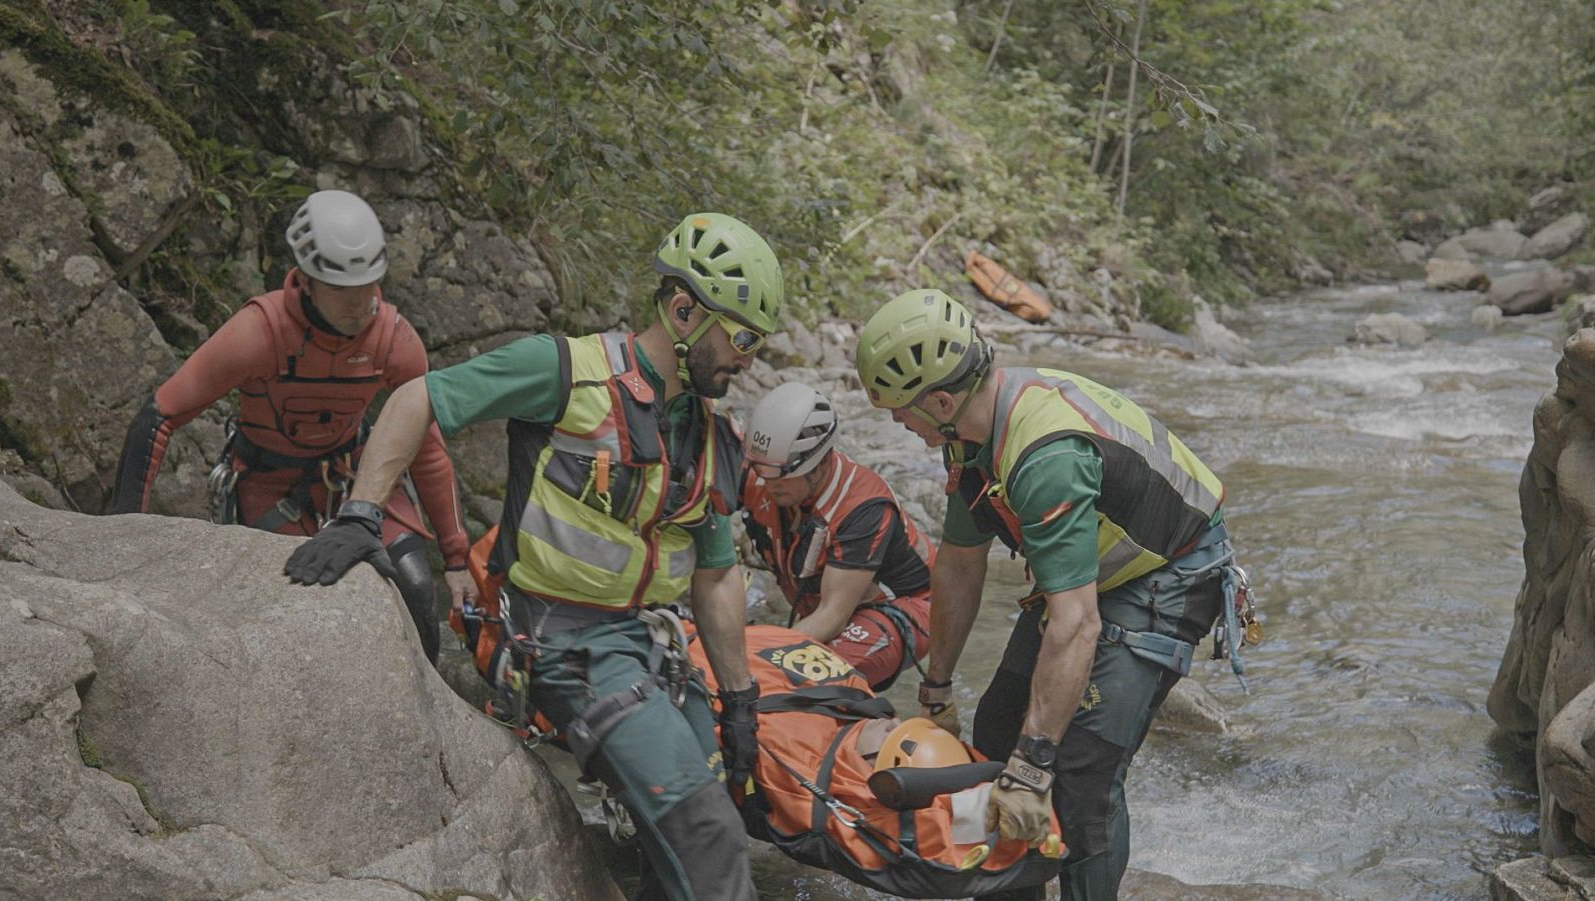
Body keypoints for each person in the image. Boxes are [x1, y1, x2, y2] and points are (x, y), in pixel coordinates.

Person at [283, 212, 783, 901]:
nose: (751, 357)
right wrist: (362, 513)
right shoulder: (566, 372)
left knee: (705, 832)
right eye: (744, 335)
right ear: (683, 310)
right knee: (707, 835)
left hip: (649, 647)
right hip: (563, 644)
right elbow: (417, 397)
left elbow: (718, 573)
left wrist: (740, 701)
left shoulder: (708, 437)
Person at [855, 288, 1240, 901]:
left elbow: (1076, 626)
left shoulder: (1045, 457)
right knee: (997, 728)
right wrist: (936, 688)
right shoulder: (970, 435)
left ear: (941, 399)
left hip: (1170, 577)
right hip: (1100, 573)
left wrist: (1033, 766)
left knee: (1079, 777)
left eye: (899, 409)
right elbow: (958, 564)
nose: (897, 422)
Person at [110, 189, 473, 665]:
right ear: (304, 279)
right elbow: (159, 418)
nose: (360, 303)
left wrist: (457, 558)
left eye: (369, 286)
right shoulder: (260, 332)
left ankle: (430, 712)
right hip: (268, 484)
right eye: (342, 288)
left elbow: (424, 448)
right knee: (302, 603)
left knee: (413, 585)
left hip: (355, 476)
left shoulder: (394, 340)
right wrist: (119, 540)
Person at [739, 381, 935, 690]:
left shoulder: (863, 509)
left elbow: (832, 616)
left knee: (801, 678)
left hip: (905, 608)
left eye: (781, 476)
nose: (767, 484)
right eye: (760, 471)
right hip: (824, 604)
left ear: (821, 463)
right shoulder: (769, 471)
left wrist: (756, 651)